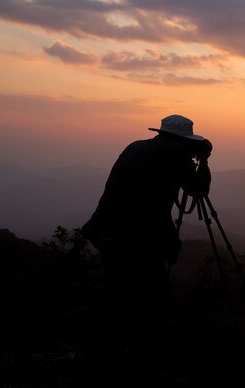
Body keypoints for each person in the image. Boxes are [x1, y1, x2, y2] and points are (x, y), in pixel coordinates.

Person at [82, 114, 212, 358]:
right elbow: (198, 190)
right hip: (138, 236)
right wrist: (203, 161)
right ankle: (149, 350)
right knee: (154, 292)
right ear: (184, 140)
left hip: (104, 229)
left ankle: (109, 347)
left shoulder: (134, 146)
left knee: (116, 289)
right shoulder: (176, 155)